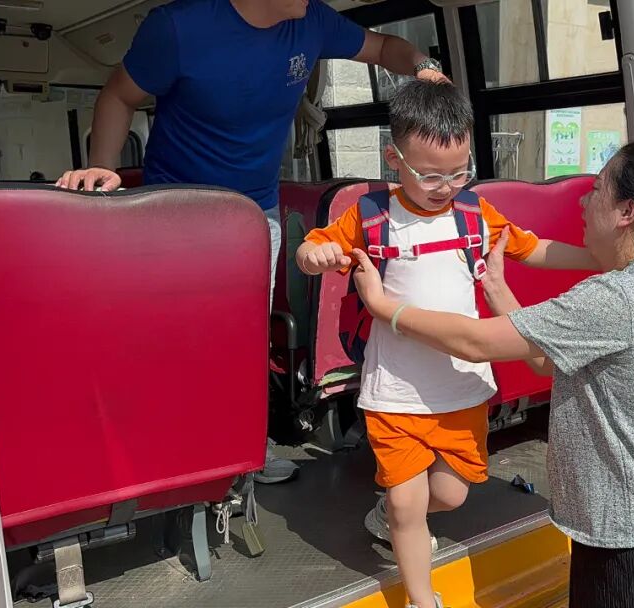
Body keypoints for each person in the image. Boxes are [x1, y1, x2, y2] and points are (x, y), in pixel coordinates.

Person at [55, 0, 448, 484]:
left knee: (243, 342)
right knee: (169, 339)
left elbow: (386, 47)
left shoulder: (311, 21)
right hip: (172, 212)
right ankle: (158, 459)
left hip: (254, 216)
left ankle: (240, 453)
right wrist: (104, 168)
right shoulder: (180, 27)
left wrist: (426, 69)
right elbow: (118, 95)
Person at [346, 140, 634, 607]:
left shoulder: (617, 300)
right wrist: (497, 290)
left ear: (626, 212)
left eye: (596, 190)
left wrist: (383, 307)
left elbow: (474, 342)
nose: (581, 200)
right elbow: (545, 360)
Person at [295, 80, 598, 608]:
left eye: (459, 172)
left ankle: (386, 516)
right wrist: (312, 256)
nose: (446, 185)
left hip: (460, 388)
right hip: (394, 392)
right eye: (431, 175)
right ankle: (421, 596)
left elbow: (534, 249)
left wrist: (599, 258)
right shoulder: (370, 216)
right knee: (409, 506)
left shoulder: (475, 215)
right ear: (395, 159)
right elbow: (313, 247)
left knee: (450, 494)